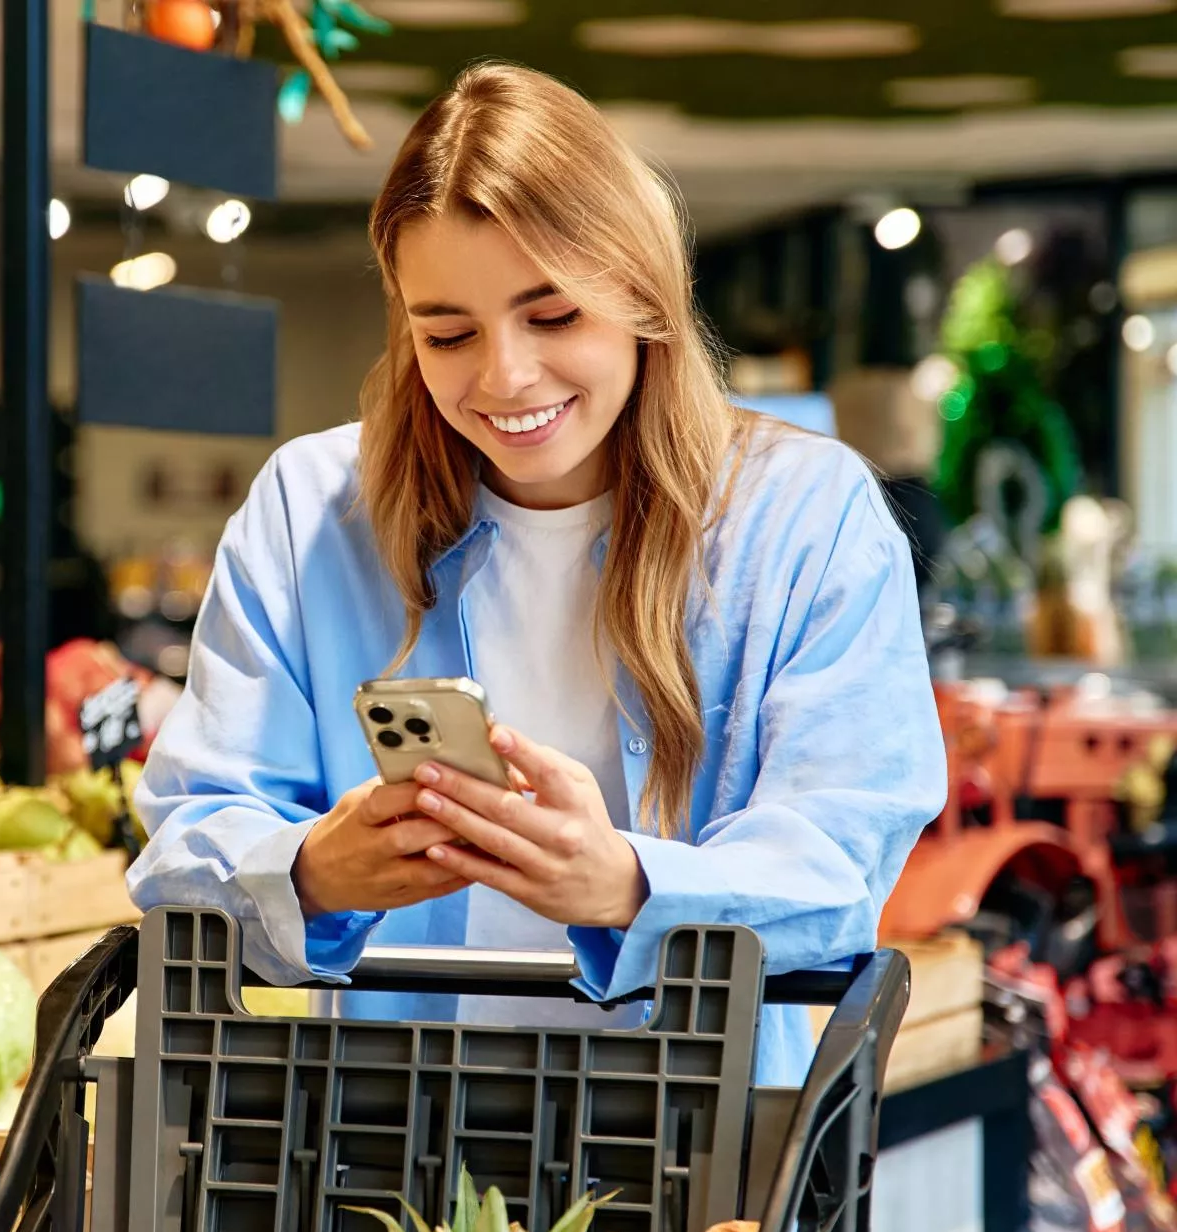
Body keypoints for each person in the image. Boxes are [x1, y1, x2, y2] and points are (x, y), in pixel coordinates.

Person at [126, 63, 946, 1086]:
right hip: (387, 1149)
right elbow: (185, 837)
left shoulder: (805, 518)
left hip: (708, 1151)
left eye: (553, 316)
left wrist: (624, 884)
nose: (505, 377)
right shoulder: (310, 510)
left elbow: (839, 870)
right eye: (448, 332)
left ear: (642, 295)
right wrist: (312, 869)